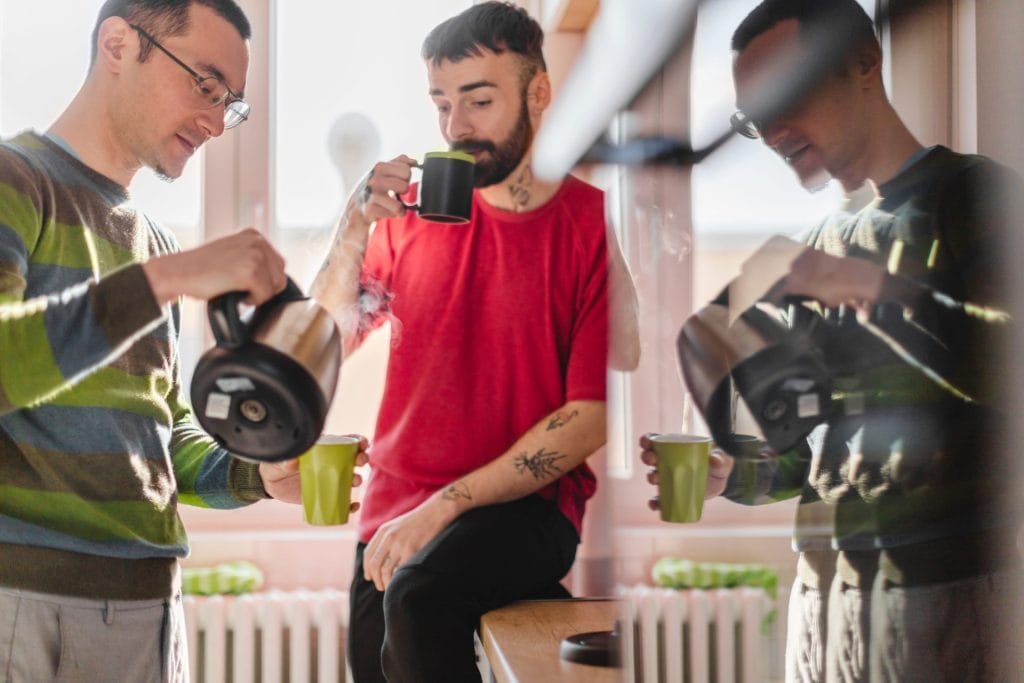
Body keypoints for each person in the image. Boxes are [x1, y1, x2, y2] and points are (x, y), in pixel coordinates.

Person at [641, 1, 1023, 681]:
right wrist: (738, 475)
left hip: (941, 594)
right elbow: (812, 450)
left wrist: (872, 290)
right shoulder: (812, 244)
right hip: (822, 594)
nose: (772, 128)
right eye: (753, 115)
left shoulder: (973, 196)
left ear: (864, 65)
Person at [0, 2, 365, 681]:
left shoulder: (154, 244)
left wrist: (253, 472)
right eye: (205, 83)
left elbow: (160, 444)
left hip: (150, 602)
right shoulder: (15, 183)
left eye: (231, 103)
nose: (215, 120)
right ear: (118, 45)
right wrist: (166, 279)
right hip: (25, 601)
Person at [311, 2, 637, 680]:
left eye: (479, 100)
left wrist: (446, 504)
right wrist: (350, 227)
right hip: (392, 511)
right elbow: (324, 345)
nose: (457, 128)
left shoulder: (588, 226)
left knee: (422, 593)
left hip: (525, 509)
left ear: (538, 92)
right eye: (442, 104)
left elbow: (589, 417)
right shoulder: (409, 218)